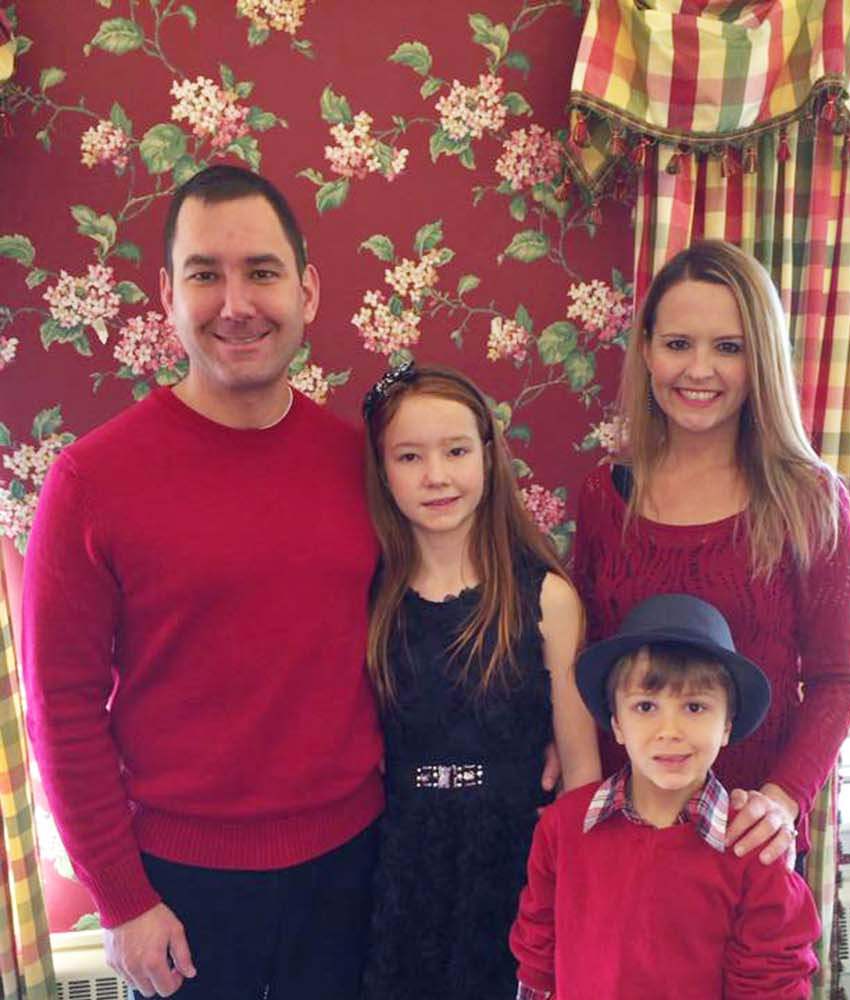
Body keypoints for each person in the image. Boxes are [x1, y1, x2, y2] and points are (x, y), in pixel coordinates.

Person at [22, 165, 383, 999]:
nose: (237, 304)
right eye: (205, 275)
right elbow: (61, 709)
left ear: (306, 290)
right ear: (167, 295)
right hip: (179, 890)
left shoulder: (363, 464)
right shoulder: (91, 482)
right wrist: (121, 899)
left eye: (262, 271)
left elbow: (434, 625)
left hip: (354, 867)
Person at [573, 239, 850, 865]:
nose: (699, 370)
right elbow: (584, 661)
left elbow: (835, 681)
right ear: (647, 350)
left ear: (761, 358)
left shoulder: (810, 501)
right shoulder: (604, 496)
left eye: (728, 347)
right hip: (627, 831)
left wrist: (782, 800)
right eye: (678, 344)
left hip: (747, 839)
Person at [359, 363, 600, 1000]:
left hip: (514, 865)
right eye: (410, 456)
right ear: (383, 471)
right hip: (397, 867)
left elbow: (580, 775)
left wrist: (573, 898)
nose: (436, 475)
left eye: (456, 451)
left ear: (488, 457)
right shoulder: (369, 599)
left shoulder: (547, 599)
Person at [510, 592, 822, 999]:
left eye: (694, 707)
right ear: (616, 723)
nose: (669, 731)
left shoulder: (753, 849)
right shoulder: (562, 828)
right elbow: (537, 960)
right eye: (645, 707)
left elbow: (771, 985)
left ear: (727, 726)